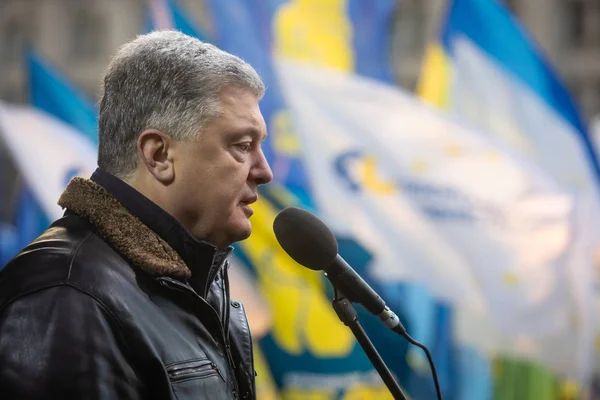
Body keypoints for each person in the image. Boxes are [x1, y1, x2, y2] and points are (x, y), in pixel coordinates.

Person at [0, 30, 273, 400]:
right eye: (242, 146)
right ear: (159, 155)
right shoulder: (66, 296)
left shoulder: (196, 278)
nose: (264, 171)